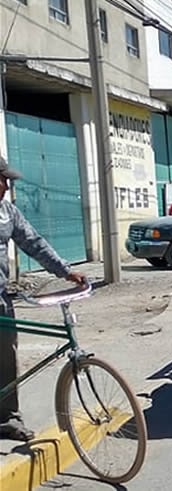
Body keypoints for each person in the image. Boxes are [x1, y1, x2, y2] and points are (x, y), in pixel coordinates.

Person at [0, 156, 87, 441]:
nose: (7, 185)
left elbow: (34, 243)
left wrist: (66, 271)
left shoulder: (7, 212)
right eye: (4, 179)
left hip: (0, 298)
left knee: (5, 359)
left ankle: (7, 419)